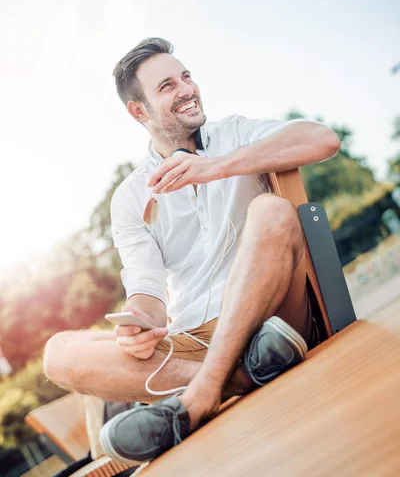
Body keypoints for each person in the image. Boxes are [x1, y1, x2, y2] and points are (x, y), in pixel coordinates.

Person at [43, 37, 340, 465]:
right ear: (139, 111)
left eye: (186, 77)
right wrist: (141, 324)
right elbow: (147, 291)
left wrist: (219, 165)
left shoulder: (236, 135)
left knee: (272, 212)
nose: (187, 89)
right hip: (194, 339)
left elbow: (323, 140)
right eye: (167, 86)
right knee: (59, 355)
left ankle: (199, 396)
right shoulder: (129, 198)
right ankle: (237, 376)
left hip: (274, 321)